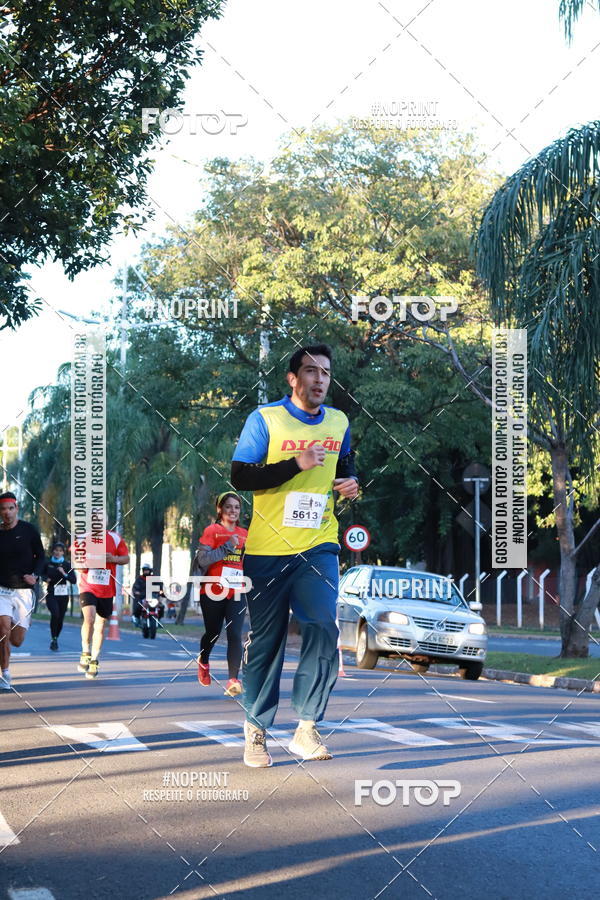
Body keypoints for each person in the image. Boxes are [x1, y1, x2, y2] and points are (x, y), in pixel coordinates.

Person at [231, 343, 359, 766]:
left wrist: (351, 485)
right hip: (267, 549)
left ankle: (306, 726)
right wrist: (295, 463)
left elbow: (345, 470)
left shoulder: (339, 422)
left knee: (323, 625)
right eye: (310, 371)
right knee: (267, 641)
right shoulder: (265, 418)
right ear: (293, 379)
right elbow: (240, 474)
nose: (320, 379)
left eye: (325, 372)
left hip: (318, 543)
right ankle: (256, 730)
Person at [196, 492, 247, 697]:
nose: (233, 511)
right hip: (212, 590)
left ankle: (233, 680)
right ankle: (204, 660)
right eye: (228, 507)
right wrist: (227, 546)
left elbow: (248, 562)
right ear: (220, 510)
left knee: (235, 634)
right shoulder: (212, 531)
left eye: (236, 507)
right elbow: (203, 560)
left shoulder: (245, 534)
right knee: (213, 632)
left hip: (236, 590)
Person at [0, 492, 45, 690]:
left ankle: (12, 634)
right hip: (1, 590)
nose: (7, 513)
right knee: (2, 631)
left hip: (23, 591)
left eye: (11, 508)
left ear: (16, 509)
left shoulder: (29, 531)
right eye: (3, 509)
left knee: (16, 640)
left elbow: (41, 556)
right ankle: (5, 673)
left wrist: (35, 575)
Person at [73, 527, 129, 679]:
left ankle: (94, 660)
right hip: (87, 587)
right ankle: (85, 651)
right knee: (89, 618)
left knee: (100, 625)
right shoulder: (82, 538)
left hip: (106, 589)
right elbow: (77, 563)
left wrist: (113, 559)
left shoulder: (115, 538)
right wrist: (85, 564)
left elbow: (126, 558)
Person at [42, 541, 77, 651]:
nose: (58, 552)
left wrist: (64, 573)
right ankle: (53, 638)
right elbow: (41, 574)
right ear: (53, 551)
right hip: (51, 593)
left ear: (63, 552)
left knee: (60, 619)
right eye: (56, 550)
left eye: (60, 551)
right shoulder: (47, 563)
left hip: (63, 594)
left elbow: (74, 580)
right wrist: (45, 578)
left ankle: (55, 638)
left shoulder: (67, 565)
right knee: (55, 614)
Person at [132, 565, 165, 639]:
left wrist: (161, 591)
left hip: (153, 598)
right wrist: (136, 592)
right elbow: (135, 587)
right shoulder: (139, 579)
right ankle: (136, 618)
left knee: (161, 606)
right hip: (143, 597)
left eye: (147, 570)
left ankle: (159, 619)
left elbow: (161, 586)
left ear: (150, 571)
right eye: (145, 570)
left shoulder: (155, 579)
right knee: (138, 606)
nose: (146, 571)